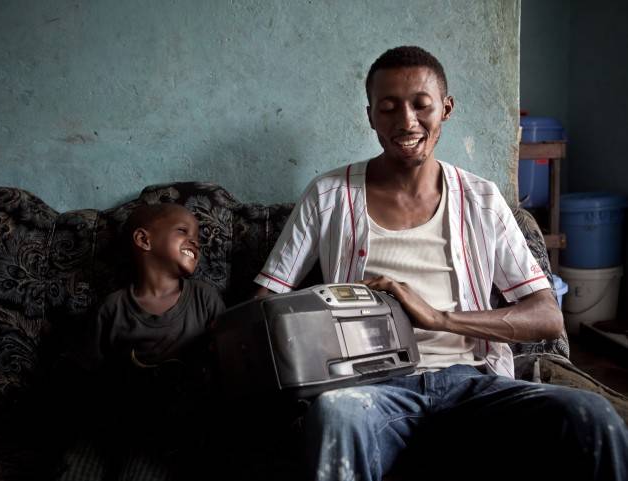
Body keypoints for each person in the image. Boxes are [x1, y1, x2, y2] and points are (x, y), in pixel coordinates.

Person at [254, 46, 628, 480]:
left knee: (591, 415)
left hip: (475, 382)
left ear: (446, 109)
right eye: (388, 107)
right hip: (371, 392)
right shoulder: (329, 195)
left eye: (421, 104)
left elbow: (547, 317)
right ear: (371, 115)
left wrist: (438, 318)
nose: (406, 121)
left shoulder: (482, 199)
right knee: (337, 414)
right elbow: (266, 303)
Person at [57, 203, 225, 481]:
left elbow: (226, 362)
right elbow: (83, 375)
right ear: (144, 239)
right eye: (183, 230)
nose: (195, 240)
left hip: (170, 430)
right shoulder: (112, 308)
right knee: (75, 469)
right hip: (114, 421)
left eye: (198, 235)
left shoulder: (204, 298)